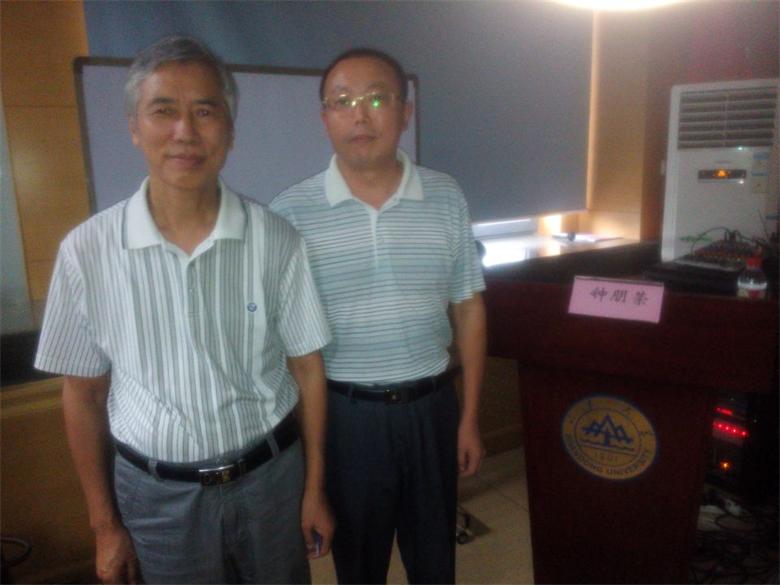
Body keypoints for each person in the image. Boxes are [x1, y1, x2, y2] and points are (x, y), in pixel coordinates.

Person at [35, 36, 334, 585]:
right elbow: (83, 394)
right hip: (156, 499)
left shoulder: (277, 240)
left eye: (204, 111)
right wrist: (104, 525)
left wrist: (314, 488)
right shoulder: (86, 252)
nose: (184, 132)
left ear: (230, 131)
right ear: (133, 127)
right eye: (163, 111)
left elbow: (307, 369)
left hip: (270, 481)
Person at [271, 47, 487, 584]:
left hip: (433, 409)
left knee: (435, 565)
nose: (360, 115)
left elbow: (468, 307)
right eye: (342, 101)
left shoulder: (445, 195)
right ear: (324, 118)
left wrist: (469, 417)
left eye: (376, 99)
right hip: (346, 420)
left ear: (405, 112)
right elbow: (289, 347)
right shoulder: (290, 213)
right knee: (359, 568)